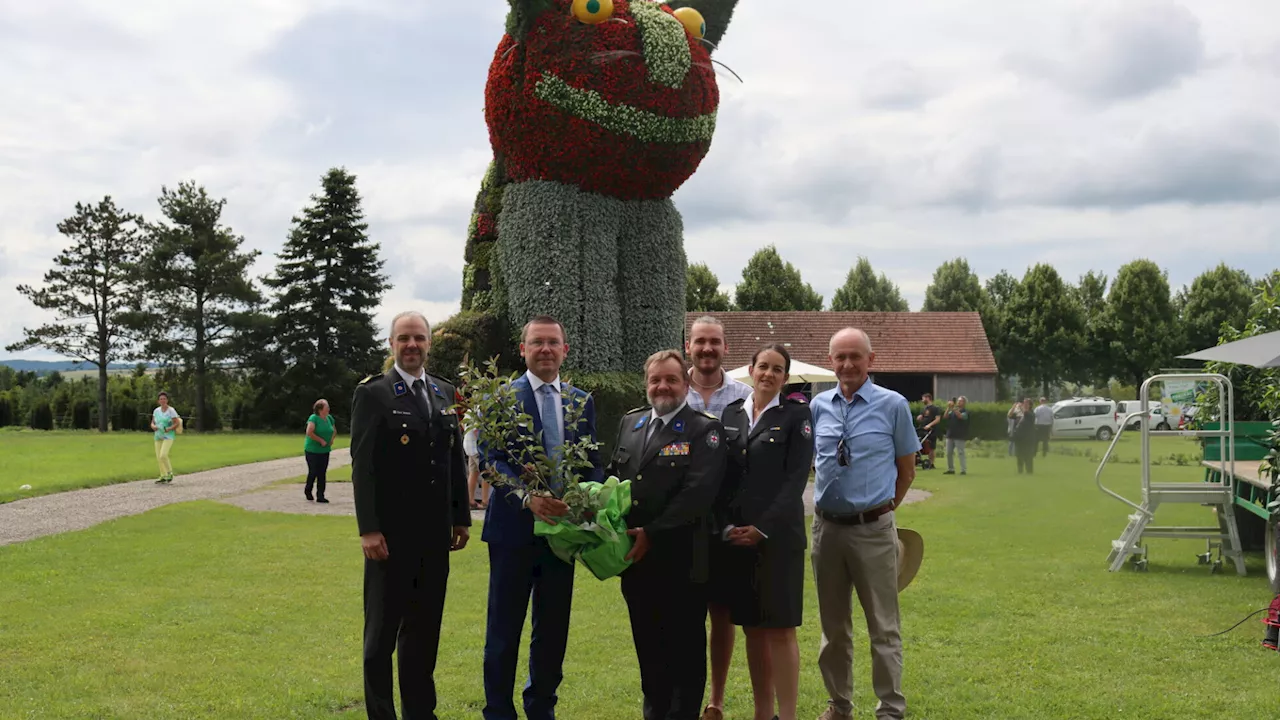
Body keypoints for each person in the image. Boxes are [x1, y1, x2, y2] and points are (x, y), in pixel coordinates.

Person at [350, 310, 472, 720]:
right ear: (391, 344)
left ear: (429, 343)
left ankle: (421, 713)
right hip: (389, 539)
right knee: (380, 637)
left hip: (434, 539)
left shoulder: (444, 392)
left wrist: (461, 518)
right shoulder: (374, 394)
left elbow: (453, 459)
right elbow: (362, 467)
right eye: (403, 338)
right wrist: (368, 529)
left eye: (419, 338)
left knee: (423, 635)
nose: (412, 345)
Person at [480, 315, 604, 720]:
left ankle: (541, 707)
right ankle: (498, 711)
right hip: (512, 532)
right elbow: (490, 460)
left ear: (565, 350)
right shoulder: (499, 400)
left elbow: (592, 465)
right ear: (523, 349)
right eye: (538, 342)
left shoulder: (581, 401)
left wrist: (585, 501)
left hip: (560, 537)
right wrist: (527, 497)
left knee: (552, 630)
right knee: (504, 630)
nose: (546, 349)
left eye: (553, 342)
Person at [609, 350, 727, 720]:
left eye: (671, 379)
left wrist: (652, 533)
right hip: (637, 563)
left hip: (683, 562)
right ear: (646, 384)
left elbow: (699, 492)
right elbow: (614, 483)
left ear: (686, 383)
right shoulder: (631, 424)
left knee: (685, 656)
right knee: (649, 652)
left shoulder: (704, 429)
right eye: (655, 379)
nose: (663, 386)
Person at [810, 328, 920, 720]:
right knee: (834, 630)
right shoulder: (818, 406)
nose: (847, 364)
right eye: (839, 357)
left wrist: (882, 513)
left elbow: (906, 470)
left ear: (871, 360)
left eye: (855, 356)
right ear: (831, 360)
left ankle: (890, 709)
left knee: (883, 628)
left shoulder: (893, 405)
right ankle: (839, 706)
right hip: (826, 531)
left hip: (873, 530)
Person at [716, 344, 814, 720]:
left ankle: (786, 715)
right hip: (738, 539)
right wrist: (726, 526)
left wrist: (763, 527)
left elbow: (795, 481)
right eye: (763, 367)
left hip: (778, 539)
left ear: (785, 377)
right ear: (750, 370)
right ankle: (763, 714)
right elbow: (722, 479)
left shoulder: (796, 417)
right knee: (752, 629)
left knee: (781, 630)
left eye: (777, 369)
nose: (769, 374)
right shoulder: (732, 414)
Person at [683, 315, 752, 720]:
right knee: (685, 611)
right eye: (700, 342)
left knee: (722, 613)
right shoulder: (673, 389)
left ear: (726, 348)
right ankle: (685, 694)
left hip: (727, 521)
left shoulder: (744, 396)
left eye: (714, 342)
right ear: (689, 346)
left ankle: (717, 699)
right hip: (683, 523)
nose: (707, 349)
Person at [305, 398, 336, 502]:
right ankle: (308, 490)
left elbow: (334, 430)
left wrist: (331, 439)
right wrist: (320, 440)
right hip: (312, 450)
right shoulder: (314, 418)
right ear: (320, 409)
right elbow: (309, 432)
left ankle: (320, 495)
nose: (328, 408)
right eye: (326, 406)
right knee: (313, 471)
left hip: (325, 450)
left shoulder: (329, 418)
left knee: (322, 473)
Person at [150, 391, 181, 484]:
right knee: (158, 457)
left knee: (163, 455)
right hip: (158, 435)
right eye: (161, 399)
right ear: (158, 401)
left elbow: (177, 422)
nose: (162, 400)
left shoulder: (171, 410)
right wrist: (153, 426)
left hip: (168, 435)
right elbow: (152, 422)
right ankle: (163, 475)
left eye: (164, 399)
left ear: (167, 400)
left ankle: (169, 473)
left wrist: (169, 428)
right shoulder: (156, 411)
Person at [943, 396, 969, 476]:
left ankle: (963, 470)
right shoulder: (953, 411)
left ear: (964, 403)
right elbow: (945, 416)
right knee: (949, 453)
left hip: (959, 435)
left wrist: (953, 408)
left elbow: (960, 416)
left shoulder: (965, 412)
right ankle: (951, 469)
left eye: (960, 401)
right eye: (958, 401)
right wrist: (948, 408)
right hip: (950, 434)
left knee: (961, 453)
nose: (958, 402)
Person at [914, 393, 940, 470]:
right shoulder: (924, 409)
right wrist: (919, 418)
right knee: (920, 443)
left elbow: (937, 419)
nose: (922, 400)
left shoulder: (935, 408)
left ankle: (932, 463)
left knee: (932, 447)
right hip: (922, 429)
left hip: (931, 430)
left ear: (928, 398)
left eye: (923, 398)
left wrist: (929, 425)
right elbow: (922, 417)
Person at [1013, 398, 1038, 475]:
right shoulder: (1020, 414)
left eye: (1026, 403)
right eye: (1024, 403)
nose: (1024, 405)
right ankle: (1020, 471)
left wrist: (1021, 407)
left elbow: (1026, 413)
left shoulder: (1031, 414)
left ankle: (1029, 471)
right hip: (1019, 439)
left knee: (1028, 455)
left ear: (1030, 405)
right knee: (1019, 455)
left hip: (1028, 439)